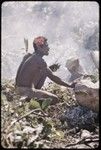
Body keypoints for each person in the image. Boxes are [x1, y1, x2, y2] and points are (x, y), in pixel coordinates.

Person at [15, 36, 75, 104]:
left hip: (18, 90)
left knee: (43, 72)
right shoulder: (40, 61)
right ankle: (29, 101)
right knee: (55, 99)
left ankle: (31, 96)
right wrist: (70, 85)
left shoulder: (27, 56)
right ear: (39, 47)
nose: (48, 48)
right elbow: (53, 77)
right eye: (46, 46)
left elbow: (18, 75)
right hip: (26, 91)